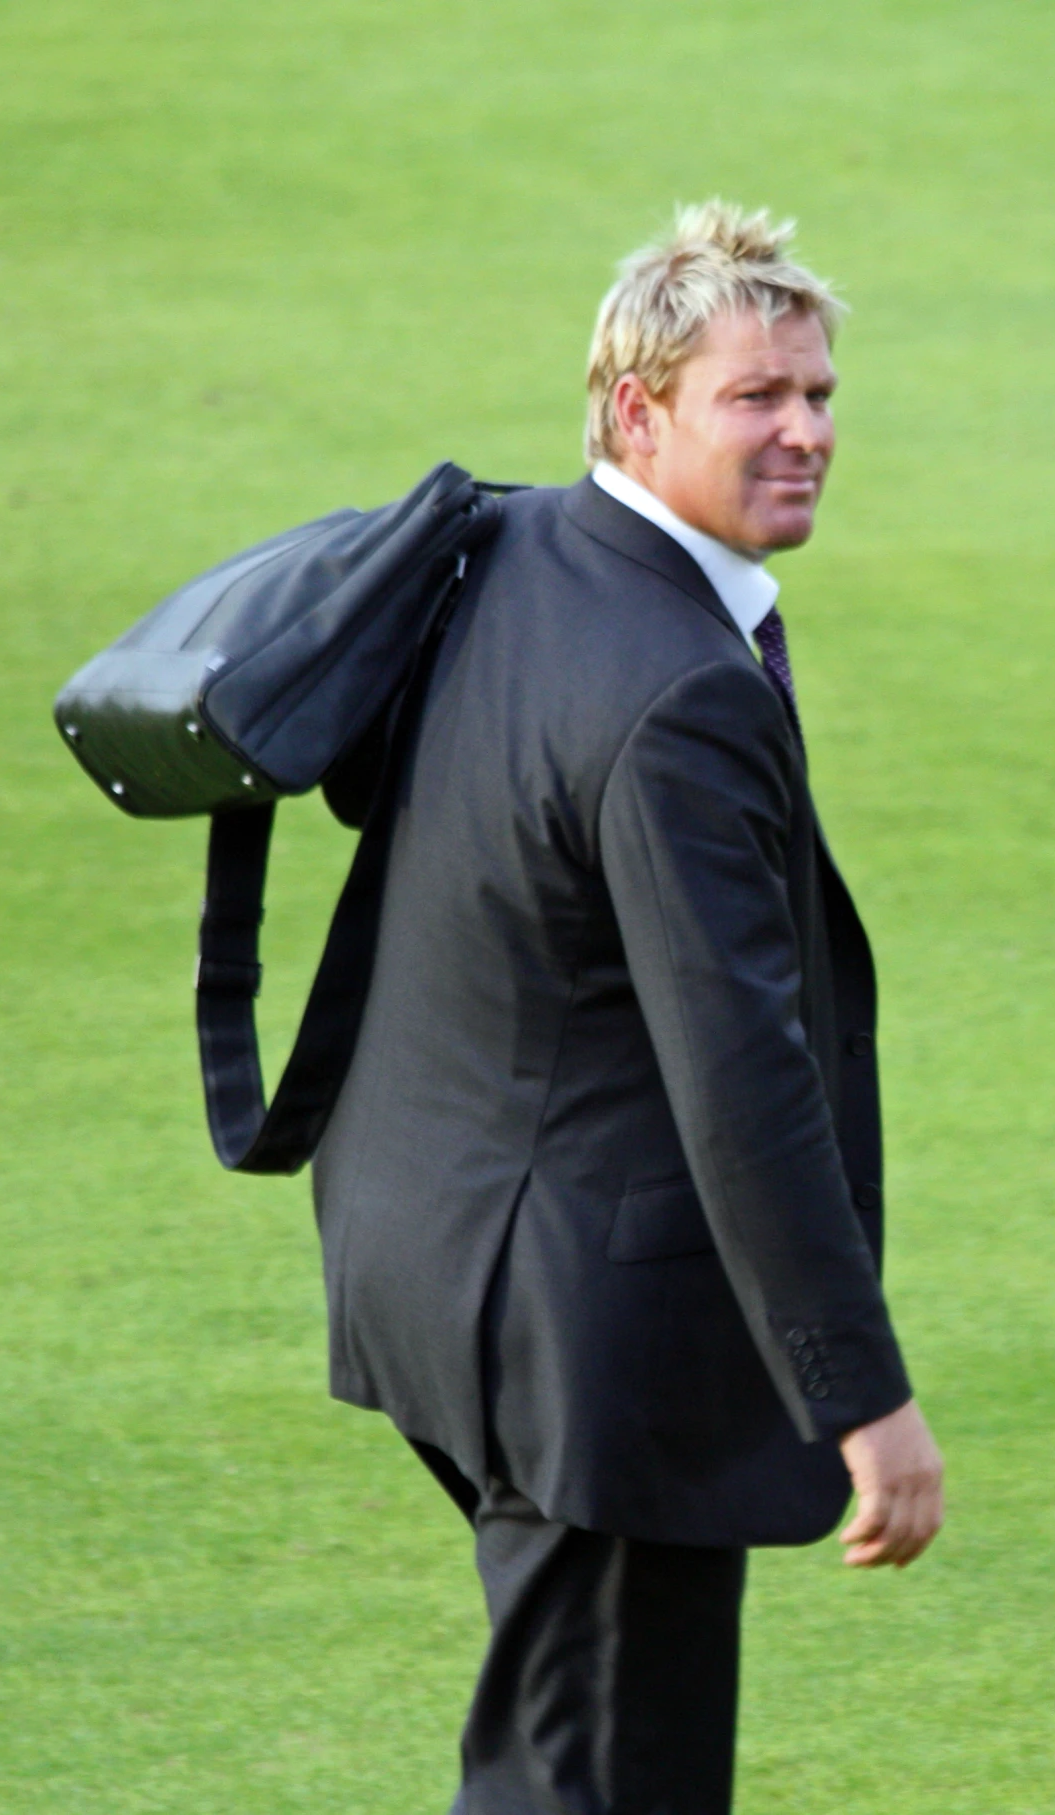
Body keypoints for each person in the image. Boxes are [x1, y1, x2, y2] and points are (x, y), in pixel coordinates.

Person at [312, 200, 943, 1814]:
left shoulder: (515, 555)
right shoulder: (680, 694)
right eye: (756, 397)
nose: (804, 432)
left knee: (570, 1755)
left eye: (818, 395)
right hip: (585, 1340)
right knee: (598, 1783)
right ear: (633, 410)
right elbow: (744, 1078)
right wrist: (857, 1392)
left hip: (441, 1269)